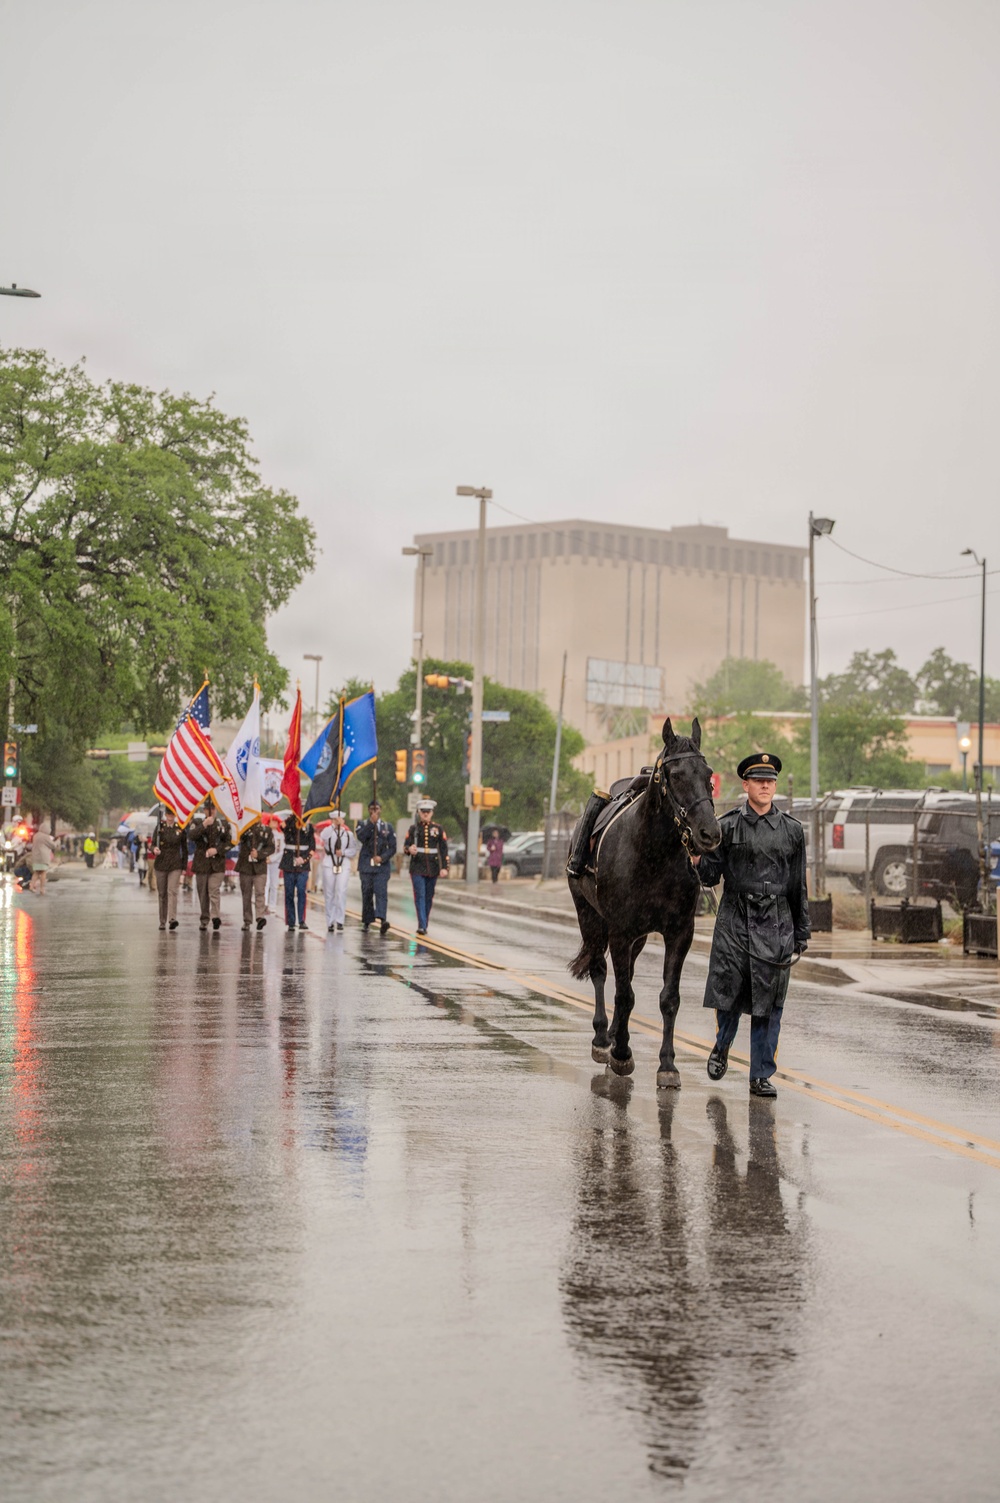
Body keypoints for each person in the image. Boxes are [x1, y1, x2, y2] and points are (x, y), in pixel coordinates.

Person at [691, 753, 809, 1099]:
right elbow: (712, 876)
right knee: (728, 994)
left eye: (770, 781)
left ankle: (760, 1075)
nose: (765, 786)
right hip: (734, 920)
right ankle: (722, 1045)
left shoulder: (792, 830)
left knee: (769, 1004)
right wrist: (698, 859)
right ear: (745, 786)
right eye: (758, 781)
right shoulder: (726, 826)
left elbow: (799, 885)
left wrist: (802, 931)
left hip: (776, 923)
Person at [403, 799, 449, 936]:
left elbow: (444, 849)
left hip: (433, 866)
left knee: (429, 896)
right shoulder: (413, 829)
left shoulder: (438, 829)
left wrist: (444, 867)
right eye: (423, 812)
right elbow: (405, 847)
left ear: (432, 813)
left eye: (428, 812)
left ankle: (425, 922)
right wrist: (409, 849)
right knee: (420, 895)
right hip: (417, 865)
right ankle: (421, 925)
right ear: (418, 813)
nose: (425, 814)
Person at [356, 799, 396, 934]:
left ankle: (382, 919)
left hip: (381, 866)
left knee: (381, 892)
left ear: (380, 810)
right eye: (372, 809)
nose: (374, 811)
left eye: (377, 808)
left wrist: (383, 857)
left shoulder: (387, 827)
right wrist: (371, 824)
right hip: (366, 865)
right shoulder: (362, 824)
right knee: (367, 892)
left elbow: (393, 847)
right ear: (368, 810)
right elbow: (361, 837)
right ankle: (367, 920)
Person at [192, 801, 233, 931]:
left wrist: (217, 850)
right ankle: (204, 919)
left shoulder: (223, 824)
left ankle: (215, 916)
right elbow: (191, 835)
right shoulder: (198, 823)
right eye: (208, 809)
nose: (211, 811)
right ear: (204, 810)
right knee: (203, 893)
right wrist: (204, 825)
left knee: (213, 889)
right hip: (202, 863)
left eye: (213, 809)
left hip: (217, 864)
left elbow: (229, 842)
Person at [320, 811, 358, 932]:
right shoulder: (328, 832)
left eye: (340, 819)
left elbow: (353, 850)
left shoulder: (348, 835)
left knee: (341, 891)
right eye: (336, 819)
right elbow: (323, 837)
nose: (339, 822)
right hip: (329, 862)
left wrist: (344, 853)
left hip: (343, 862)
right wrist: (333, 826)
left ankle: (340, 920)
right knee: (329, 893)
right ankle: (330, 921)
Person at [236, 818, 275, 931]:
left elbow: (271, 848)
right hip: (245, 866)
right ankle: (247, 920)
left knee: (260, 892)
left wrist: (259, 854)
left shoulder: (266, 830)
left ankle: (260, 917)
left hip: (260, 867)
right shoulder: (243, 829)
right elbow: (237, 839)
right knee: (246, 894)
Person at [152, 806, 187, 930]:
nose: (170, 817)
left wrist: (184, 866)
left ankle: (172, 918)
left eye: (172, 814)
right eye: (168, 814)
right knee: (162, 894)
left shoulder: (180, 828)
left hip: (175, 864)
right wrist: (154, 849)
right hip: (161, 863)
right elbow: (152, 845)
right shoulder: (159, 828)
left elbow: (185, 849)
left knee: (172, 891)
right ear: (165, 815)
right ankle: (162, 921)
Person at [281, 814, 316, 930]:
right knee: (289, 893)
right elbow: (283, 829)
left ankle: (301, 920)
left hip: (302, 862)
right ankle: (291, 921)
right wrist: (293, 820)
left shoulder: (309, 827)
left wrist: (304, 858)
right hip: (289, 861)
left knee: (301, 891)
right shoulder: (289, 822)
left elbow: (312, 847)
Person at [265, 815, 284, 914]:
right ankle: (264, 904)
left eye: (276, 821)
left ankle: (272, 905)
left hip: (275, 861)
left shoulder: (280, 836)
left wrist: (272, 859)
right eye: (272, 821)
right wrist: (265, 857)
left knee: (274, 884)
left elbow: (281, 851)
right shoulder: (265, 834)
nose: (274, 823)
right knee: (266, 883)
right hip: (265, 860)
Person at [29, 824, 54, 895]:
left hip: (35, 857)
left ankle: (31, 886)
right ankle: (42, 889)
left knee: (36, 872)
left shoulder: (36, 835)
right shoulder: (46, 837)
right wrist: (57, 842)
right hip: (43, 857)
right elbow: (52, 845)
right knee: (43, 872)